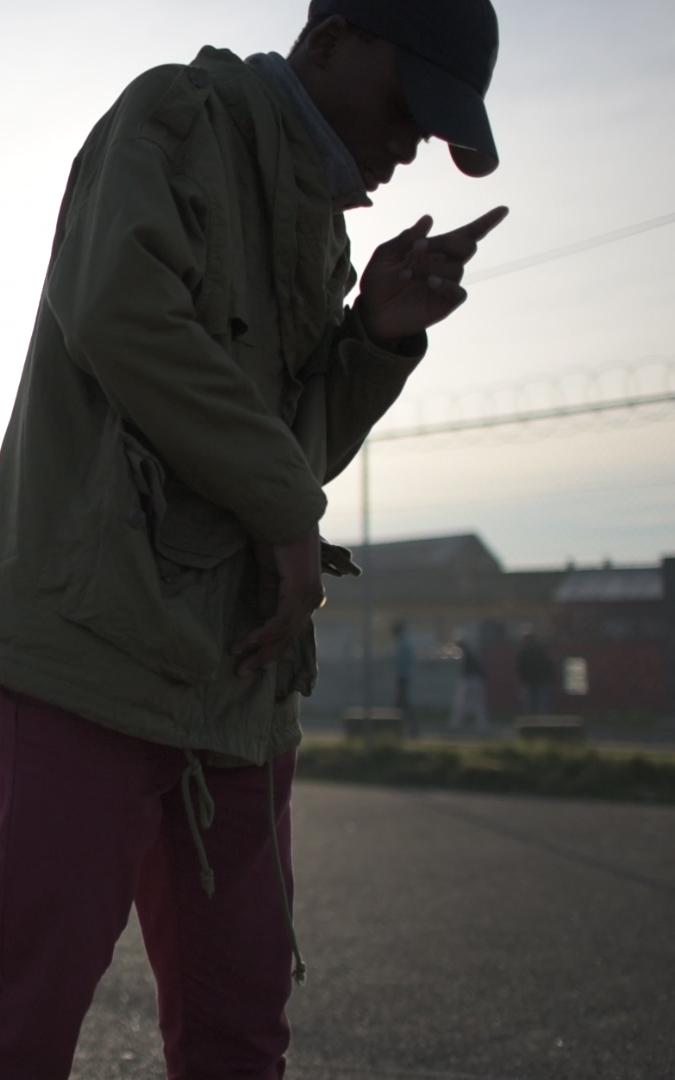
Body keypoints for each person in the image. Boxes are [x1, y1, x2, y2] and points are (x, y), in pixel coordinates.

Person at [0, 1, 507, 1075]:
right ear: (331, 39)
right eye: (411, 100)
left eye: (434, 127)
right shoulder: (177, 119)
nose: (411, 142)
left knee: (240, 1035)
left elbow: (285, 458)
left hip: (240, 697)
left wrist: (373, 338)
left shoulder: (322, 226)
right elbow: (120, 311)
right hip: (85, 670)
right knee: (19, 1016)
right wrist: (285, 506)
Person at [450, 638, 489, 732]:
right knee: (477, 704)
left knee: (461, 703)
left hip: (468, 681)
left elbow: (463, 670)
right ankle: (481, 724)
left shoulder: (465, 654)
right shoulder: (472, 653)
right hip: (477, 681)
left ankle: (457, 723)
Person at [516, 630, 556, 714]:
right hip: (538, 681)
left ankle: (533, 722)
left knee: (531, 706)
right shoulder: (540, 651)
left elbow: (519, 668)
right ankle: (540, 723)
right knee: (540, 706)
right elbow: (549, 665)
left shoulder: (524, 652)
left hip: (533, 682)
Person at [392, 620, 417, 736]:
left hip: (403, 677)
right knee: (401, 703)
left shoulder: (402, 644)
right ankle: (405, 729)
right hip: (404, 676)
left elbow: (401, 662)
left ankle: (410, 729)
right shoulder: (404, 643)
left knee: (402, 703)